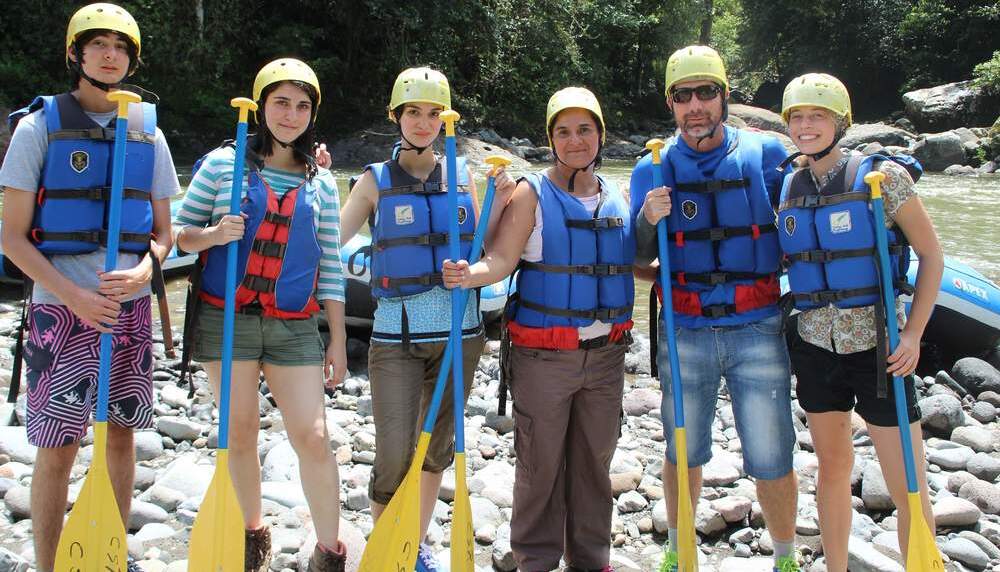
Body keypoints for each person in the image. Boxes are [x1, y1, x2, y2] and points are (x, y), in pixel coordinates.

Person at [0, 4, 178, 571]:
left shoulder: (149, 132)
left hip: (126, 314)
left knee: (122, 440)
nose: (110, 55)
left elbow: (164, 234)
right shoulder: (38, 127)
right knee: (58, 449)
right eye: (98, 44)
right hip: (61, 309)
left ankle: (107, 554)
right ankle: (51, 564)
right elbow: (11, 237)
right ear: (76, 54)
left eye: (120, 47)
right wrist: (72, 295)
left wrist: (148, 271)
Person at [442, 86, 632, 572]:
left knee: (594, 464)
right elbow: (501, 259)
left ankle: (592, 559)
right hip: (544, 357)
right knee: (540, 465)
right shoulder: (531, 192)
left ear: (600, 135)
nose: (575, 141)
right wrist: (472, 275)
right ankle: (536, 560)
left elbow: (630, 263)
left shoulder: (616, 196)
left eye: (584, 130)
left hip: (607, 356)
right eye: (564, 132)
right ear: (551, 139)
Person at [173, 58, 348, 572]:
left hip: (293, 324)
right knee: (241, 428)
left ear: (312, 114)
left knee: (313, 436)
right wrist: (213, 235)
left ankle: (329, 552)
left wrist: (336, 338)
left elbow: (332, 265)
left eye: (301, 106)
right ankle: (252, 537)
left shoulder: (320, 182)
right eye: (280, 103)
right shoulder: (222, 166)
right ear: (261, 107)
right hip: (227, 318)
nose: (290, 115)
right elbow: (182, 234)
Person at [629, 45, 800, 572]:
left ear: (725, 98)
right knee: (683, 450)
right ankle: (680, 551)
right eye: (684, 96)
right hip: (686, 330)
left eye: (707, 93)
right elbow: (636, 260)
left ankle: (786, 557)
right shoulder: (650, 169)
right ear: (671, 104)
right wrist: (645, 222)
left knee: (772, 456)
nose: (695, 105)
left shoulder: (770, 154)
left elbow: (812, 201)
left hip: (758, 325)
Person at [337, 66, 514, 571]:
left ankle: (413, 548)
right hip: (396, 339)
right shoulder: (373, 181)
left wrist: (500, 202)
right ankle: (386, 547)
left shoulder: (460, 172)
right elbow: (332, 240)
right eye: (413, 112)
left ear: (445, 120)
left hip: (461, 335)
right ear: (396, 116)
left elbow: (478, 246)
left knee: (436, 451)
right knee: (394, 454)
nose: (423, 122)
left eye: (434, 113)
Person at [777, 73, 942, 572]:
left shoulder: (883, 178)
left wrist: (912, 334)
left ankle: (924, 564)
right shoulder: (788, 183)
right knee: (832, 468)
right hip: (814, 344)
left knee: (905, 479)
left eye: (817, 117)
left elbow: (931, 255)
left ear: (839, 122)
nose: (807, 127)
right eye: (798, 118)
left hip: (879, 349)